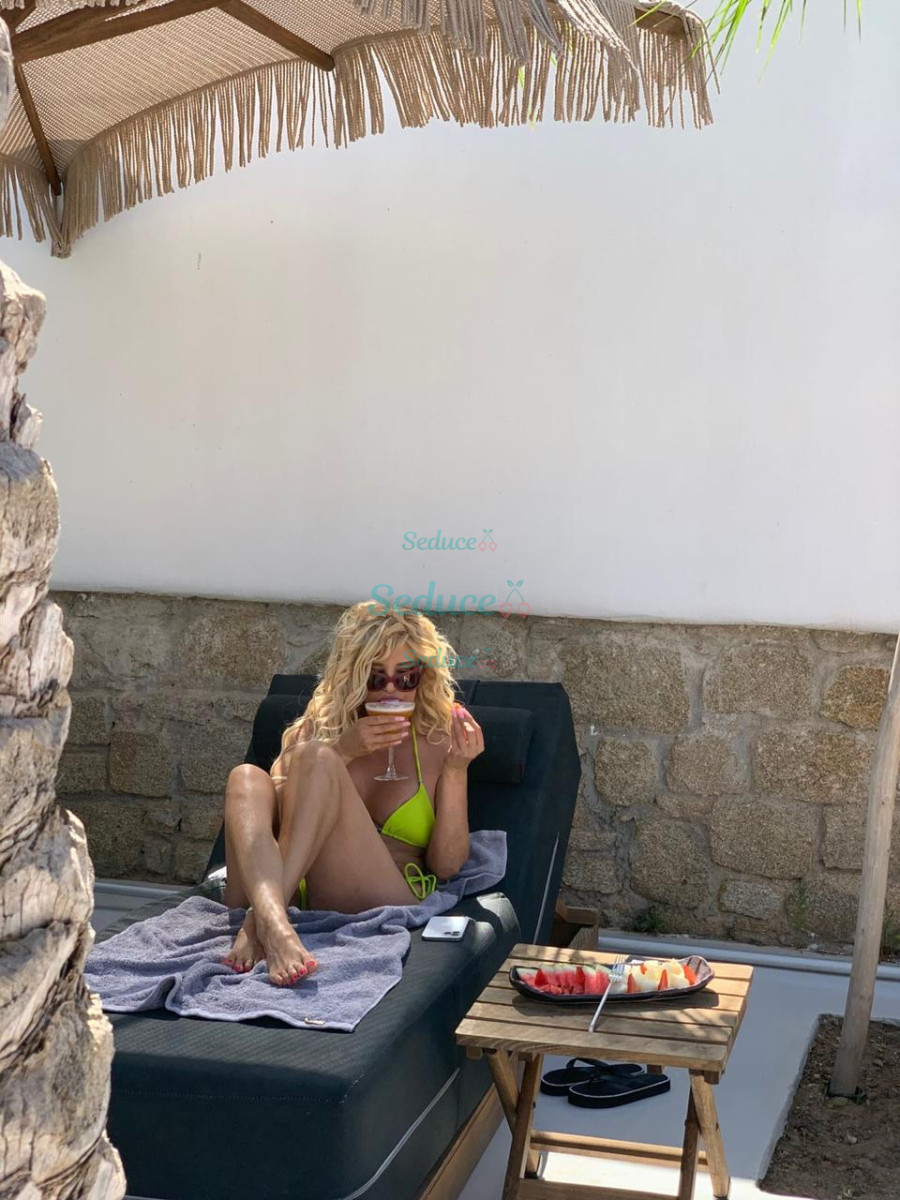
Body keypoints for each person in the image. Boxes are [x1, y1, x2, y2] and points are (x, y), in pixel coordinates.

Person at [221, 602, 485, 986]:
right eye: (377, 678)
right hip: (293, 890)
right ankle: (273, 919)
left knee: (317, 756)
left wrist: (458, 770)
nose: (392, 690)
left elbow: (446, 867)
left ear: (423, 678)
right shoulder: (318, 727)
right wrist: (343, 751)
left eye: (406, 678)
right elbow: (272, 816)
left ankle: (260, 923)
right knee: (246, 776)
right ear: (354, 677)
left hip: (378, 893)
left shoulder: (437, 739)